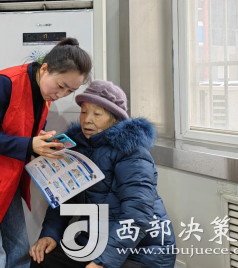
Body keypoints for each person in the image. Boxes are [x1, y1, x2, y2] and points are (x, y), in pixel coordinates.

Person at [0, 38, 92, 268]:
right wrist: (31, 144)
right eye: (61, 86)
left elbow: (20, 132)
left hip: (7, 178)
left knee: (19, 253)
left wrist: (42, 142)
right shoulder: (4, 83)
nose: (61, 94)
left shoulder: (44, 95)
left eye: (70, 91)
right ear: (45, 69)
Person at [29, 81, 176, 268]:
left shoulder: (132, 152)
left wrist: (103, 262)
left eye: (97, 114)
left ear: (114, 118)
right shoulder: (77, 148)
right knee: (42, 259)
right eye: (83, 112)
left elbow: (137, 214)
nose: (87, 120)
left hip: (141, 251)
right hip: (94, 242)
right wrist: (50, 234)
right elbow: (65, 198)